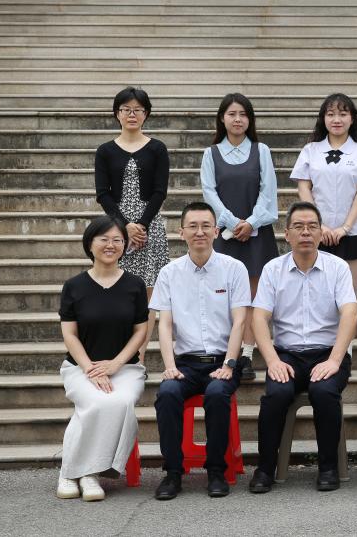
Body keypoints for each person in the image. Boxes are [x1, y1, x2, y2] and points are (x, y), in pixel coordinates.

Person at [248, 202, 357, 494]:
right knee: (276, 394)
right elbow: (258, 317)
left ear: (321, 233)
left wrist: (334, 360)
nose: (306, 232)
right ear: (287, 234)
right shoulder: (273, 269)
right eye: (298, 226)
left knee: (324, 392)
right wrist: (272, 361)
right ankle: (265, 468)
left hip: (328, 353)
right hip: (287, 355)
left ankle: (328, 467)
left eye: (312, 227)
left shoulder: (337, 268)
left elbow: (350, 314)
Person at [151, 202, 250, 500]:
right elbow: (164, 324)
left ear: (216, 231)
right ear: (181, 232)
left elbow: (240, 321)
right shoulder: (169, 273)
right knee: (167, 393)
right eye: (192, 226)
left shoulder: (234, 269)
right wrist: (169, 366)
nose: (199, 232)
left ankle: (216, 470)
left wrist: (230, 364)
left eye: (206, 226)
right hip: (186, 363)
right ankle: (173, 472)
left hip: (222, 360)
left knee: (218, 393)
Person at [57, 216, 149, 502]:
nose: (111, 245)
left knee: (120, 402)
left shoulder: (135, 285)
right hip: (80, 368)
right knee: (95, 403)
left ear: (124, 245)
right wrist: (91, 369)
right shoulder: (74, 286)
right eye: (104, 239)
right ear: (90, 244)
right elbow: (70, 334)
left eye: (117, 240)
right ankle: (73, 473)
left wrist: (115, 364)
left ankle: (87, 473)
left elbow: (141, 331)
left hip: (126, 368)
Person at [201, 92, 279, 382]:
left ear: (250, 119)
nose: (237, 119)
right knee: (228, 295)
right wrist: (233, 223)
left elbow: (268, 192)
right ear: (222, 118)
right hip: (226, 234)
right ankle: (227, 352)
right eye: (232, 114)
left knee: (255, 298)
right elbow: (209, 193)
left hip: (257, 235)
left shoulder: (261, 150)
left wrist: (251, 223)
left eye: (243, 114)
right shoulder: (211, 154)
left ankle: (246, 354)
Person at [94, 86, 169, 356]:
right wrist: (125, 226)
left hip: (149, 227)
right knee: (116, 289)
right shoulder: (105, 151)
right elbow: (103, 193)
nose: (132, 114)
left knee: (147, 296)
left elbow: (160, 191)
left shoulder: (157, 148)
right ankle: (116, 353)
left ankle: (139, 358)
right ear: (117, 113)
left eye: (138, 109)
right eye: (126, 109)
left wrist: (141, 225)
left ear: (146, 114)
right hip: (115, 228)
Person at [291, 93, 357, 294]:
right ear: (323, 118)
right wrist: (319, 226)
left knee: (348, 292)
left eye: (343, 114)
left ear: (352, 119)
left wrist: (345, 228)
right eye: (330, 114)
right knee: (316, 291)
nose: (336, 120)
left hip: (352, 232)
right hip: (316, 233)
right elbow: (304, 188)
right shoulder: (310, 150)